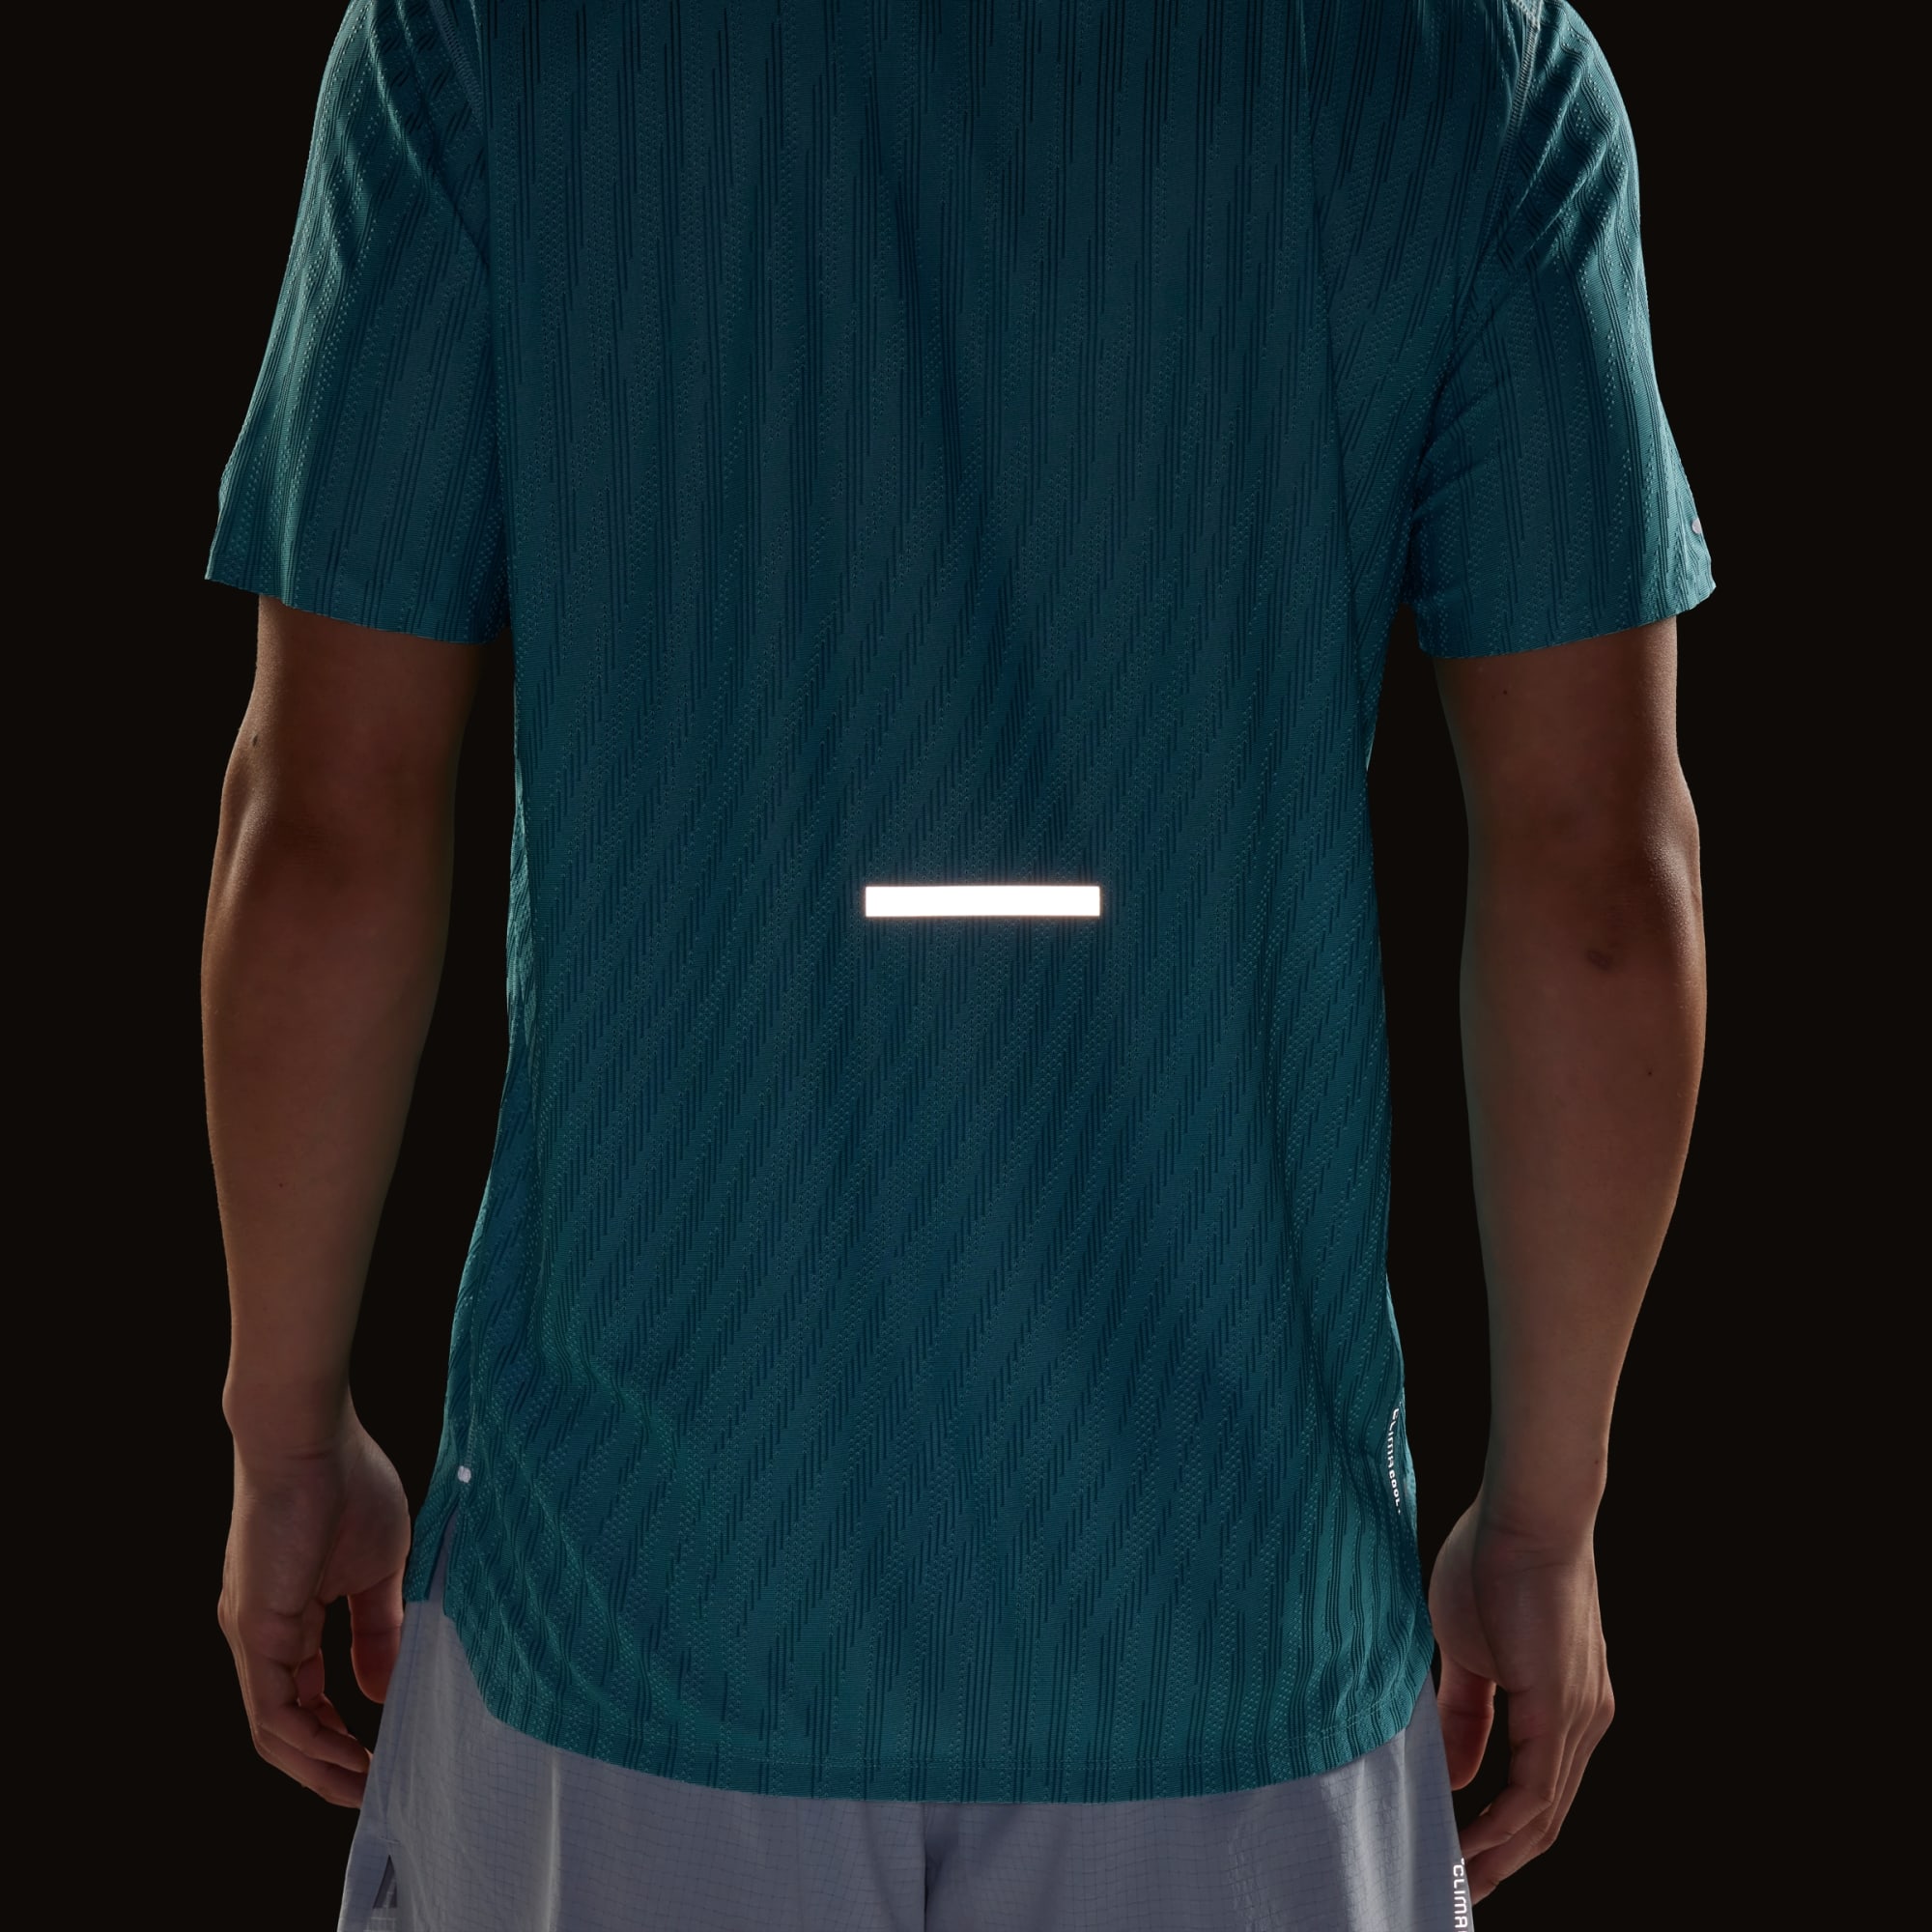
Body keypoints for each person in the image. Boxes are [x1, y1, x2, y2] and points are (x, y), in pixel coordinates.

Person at [201, 0, 1710, 1924]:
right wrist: (1547, 1519)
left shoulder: (484, 43)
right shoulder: (1465, 65)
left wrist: (284, 1434)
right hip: (1228, 1632)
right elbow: (1598, 882)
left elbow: (325, 823)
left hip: (641, 1609)